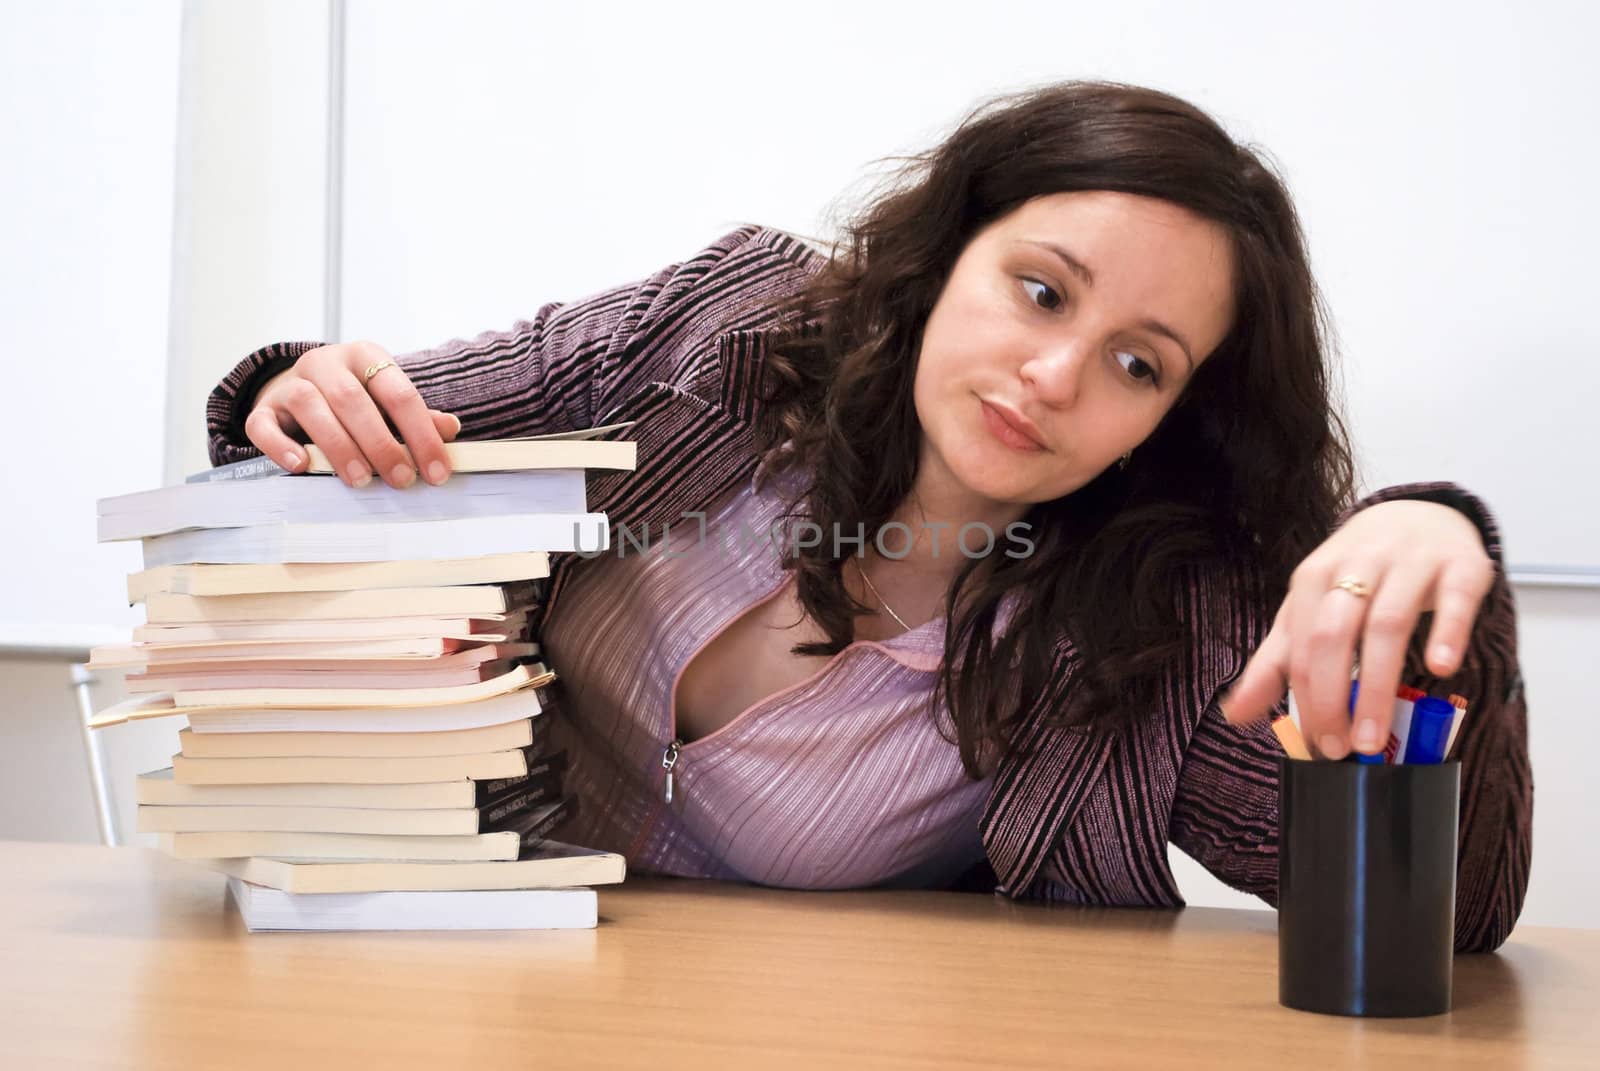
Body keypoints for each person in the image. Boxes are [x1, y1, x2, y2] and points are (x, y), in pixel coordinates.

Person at [208, 80, 1530, 950]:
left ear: (1175, 418)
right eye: (1041, 290)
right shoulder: (731, 331)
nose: (1054, 377)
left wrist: (1438, 539)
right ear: (954, 247)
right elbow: (368, 436)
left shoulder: (1156, 631)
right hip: (422, 967)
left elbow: (1440, 921)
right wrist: (293, 390)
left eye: (1141, 364)